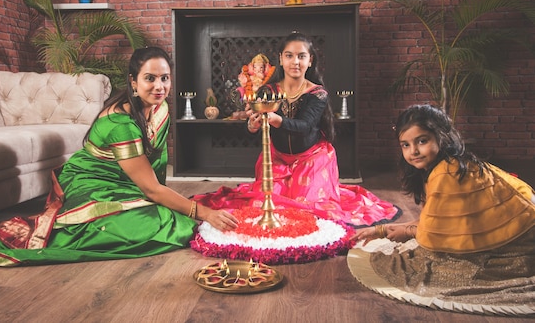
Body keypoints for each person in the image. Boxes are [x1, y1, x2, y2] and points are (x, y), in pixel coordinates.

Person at [0, 47, 238, 266]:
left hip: (129, 183)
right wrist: (201, 212)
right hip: (90, 184)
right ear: (133, 81)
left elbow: (155, 170)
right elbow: (152, 187)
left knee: (173, 216)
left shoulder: (161, 109)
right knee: (162, 224)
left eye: (164, 78)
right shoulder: (120, 123)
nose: (159, 86)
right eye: (149, 78)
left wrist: (163, 198)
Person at [194, 32, 400, 227]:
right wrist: (253, 124)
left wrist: (275, 120)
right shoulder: (268, 91)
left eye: (301, 56)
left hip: (312, 158)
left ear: (310, 60)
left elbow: (304, 126)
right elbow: (253, 125)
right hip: (277, 158)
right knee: (264, 204)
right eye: (289, 56)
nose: (295, 62)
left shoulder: (317, 94)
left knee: (307, 208)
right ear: (281, 59)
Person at [352, 104, 535, 305]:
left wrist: (400, 231)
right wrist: (382, 230)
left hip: (524, 233)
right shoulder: (439, 166)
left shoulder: (448, 171)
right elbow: (431, 221)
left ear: (442, 137)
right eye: (405, 145)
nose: (414, 151)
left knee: (442, 267)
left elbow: (431, 235)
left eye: (422, 141)